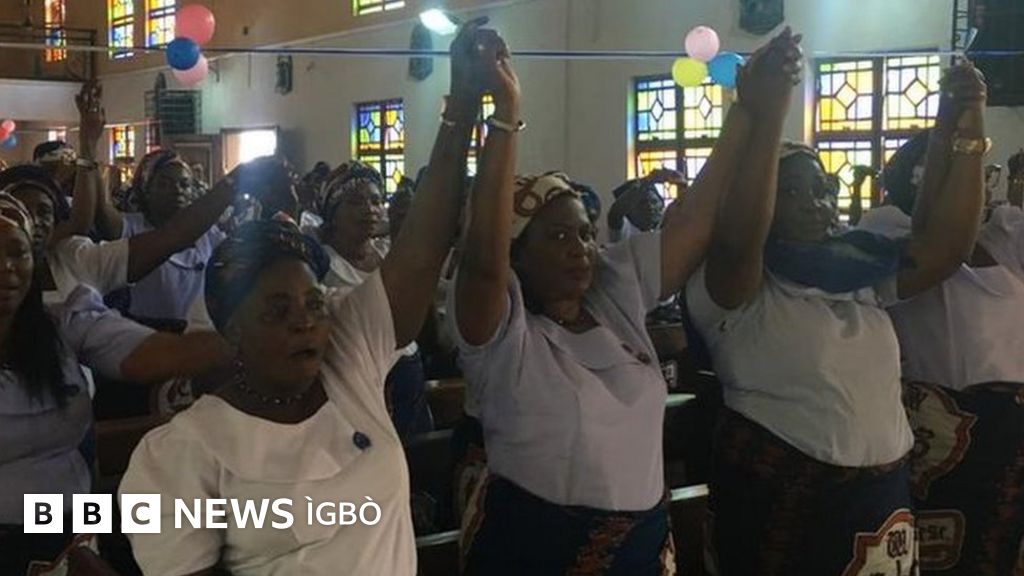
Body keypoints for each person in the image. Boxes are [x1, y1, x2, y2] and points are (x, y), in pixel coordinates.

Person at [118, 20, 489, 575]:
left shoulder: (351, 364)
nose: (305, 323)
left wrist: (461, 108)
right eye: (277, 311)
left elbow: (419, 251)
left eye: (315, 304)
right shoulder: (185, 451)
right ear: (232, 330)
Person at [450, 28, 755, 575]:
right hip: (539, 552)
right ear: (517, 252)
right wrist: (505, 114)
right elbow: (482, 263)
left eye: (586, 233)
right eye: (557, 237)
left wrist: (744, 113)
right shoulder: (502, 336)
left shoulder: (613, 296)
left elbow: (693, 222)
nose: (581, 248)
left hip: (639, 546)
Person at [686, 37, 986, 575]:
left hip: (879, 505)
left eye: (823, 188)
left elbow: (947, 247)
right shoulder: (732, 288)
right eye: (793, 192)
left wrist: (968, 125)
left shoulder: (858, 273)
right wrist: (768, 112)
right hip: (784, 506)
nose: (817, 203)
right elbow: (738, 237)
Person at [0, 193, 230, 575]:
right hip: (13, 532)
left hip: (72, 515)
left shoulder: (60, 324)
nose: (7, 268)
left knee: (198, 516)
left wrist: (256, 340)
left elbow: (153, 355)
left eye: (17, 253)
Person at [859, 124, 1023, 575]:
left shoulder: (1002, 228)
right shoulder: (886, 228)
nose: (983, 188)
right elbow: (948, 249)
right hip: (945, 427)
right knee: (951, 553)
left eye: (985, 175)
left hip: (1012, 426)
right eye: (972, 174)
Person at [316, 161, 433, 438]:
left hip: (408, 373)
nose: (369, 209)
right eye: (355, 202)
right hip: (358, 377)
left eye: (376, 201)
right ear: (333, 212)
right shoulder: (323, 264)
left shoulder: (387, 253)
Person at [94, 150, 227, 321]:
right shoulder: (132, 227)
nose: (177, 190)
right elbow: (100, 210)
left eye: (184, 184)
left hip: (196, 331)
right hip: (146, 330)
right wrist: (89, 157)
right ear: (147, 189)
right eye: (165, 184)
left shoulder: (207, 234)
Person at [606, 169, 685, 243]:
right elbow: (616, 213)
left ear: (662, 205)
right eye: (643, 203)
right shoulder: (625, 229)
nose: (650, 207)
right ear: (630, 210)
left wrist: (683, 185)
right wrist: (649, 180)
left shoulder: (666, 225)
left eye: (654, 202)